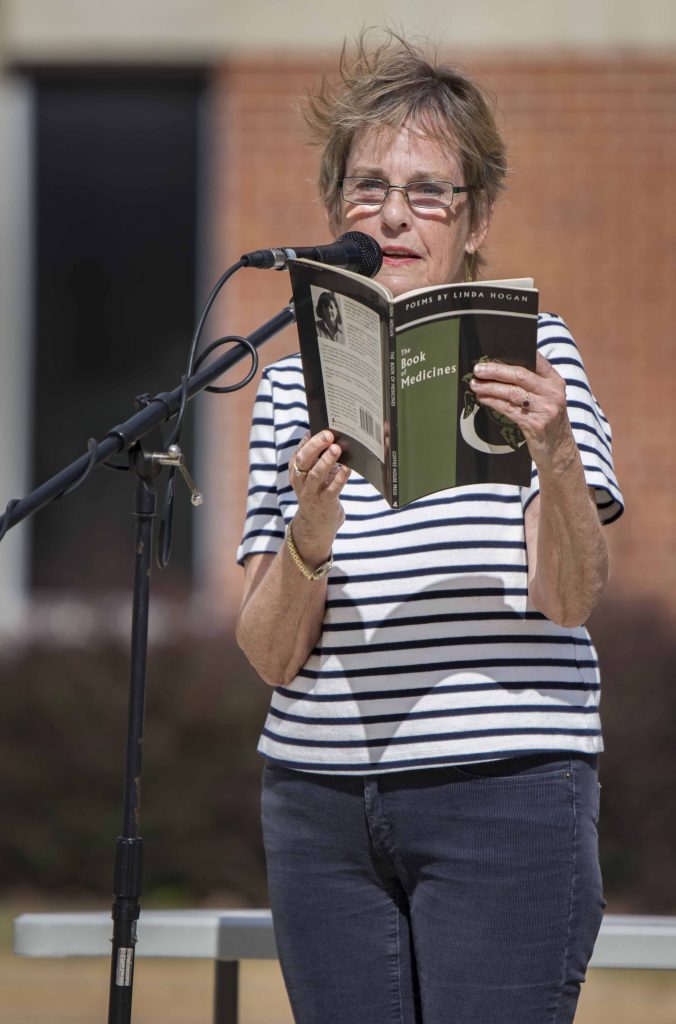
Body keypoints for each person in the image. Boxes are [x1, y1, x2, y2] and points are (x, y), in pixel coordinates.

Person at [236, 30, 624, 1024]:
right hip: (318, 803)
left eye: (428, 192)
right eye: (368, 188)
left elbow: (571, 597)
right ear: (337, 211)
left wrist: (554, 451)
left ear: (476, 214)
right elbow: (270, 653)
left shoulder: (540, 356)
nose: (394, 216)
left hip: (504, 794)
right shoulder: (285, 386)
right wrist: (309, 534)